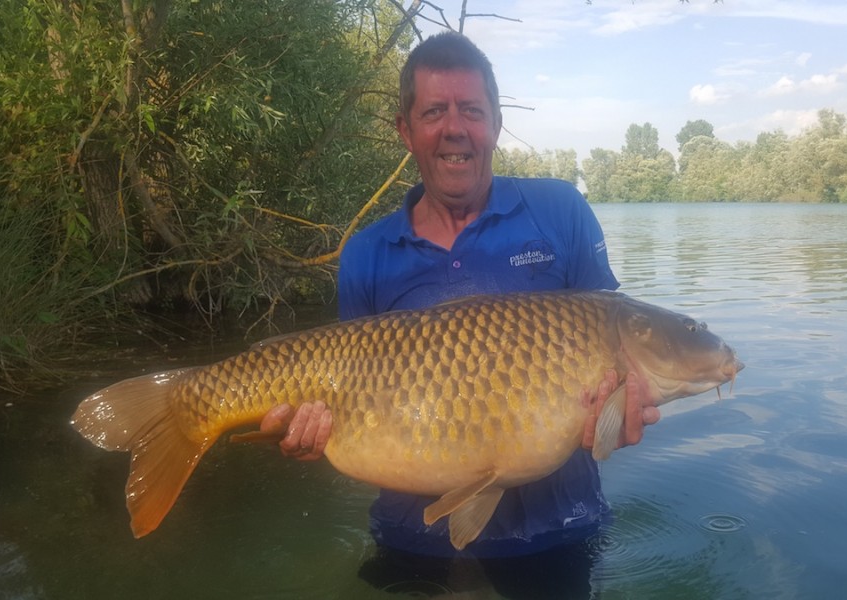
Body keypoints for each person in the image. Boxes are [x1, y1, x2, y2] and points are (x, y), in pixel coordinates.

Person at [260, 31, 659, 564]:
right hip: (413, 538)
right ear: (405, 130)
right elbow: (344, 397)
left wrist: (618, 417)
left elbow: (610, 343)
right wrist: (305, 432)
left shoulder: (561, 210)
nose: (455, 128)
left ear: (495, 122)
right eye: (434, 112)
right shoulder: (366, 254)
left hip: (560, 527)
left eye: (471, 109)